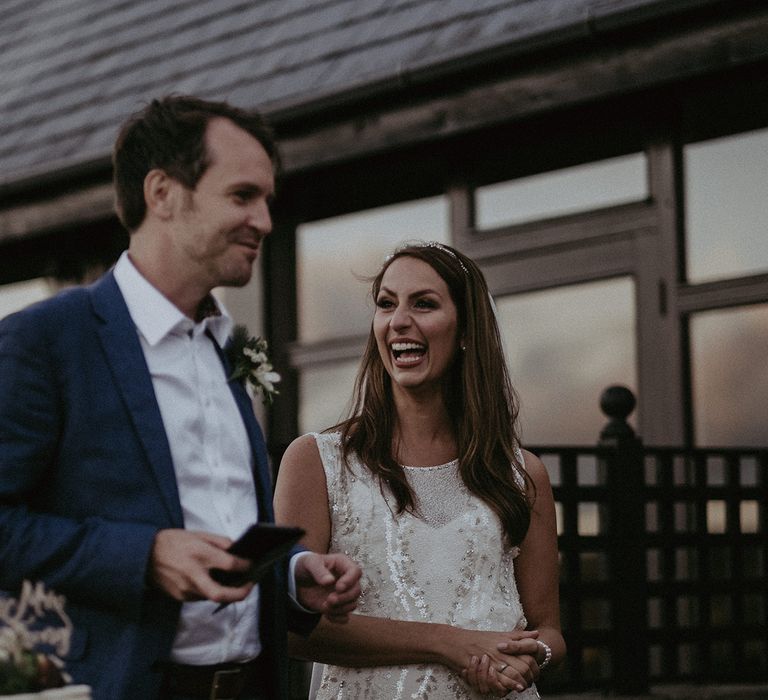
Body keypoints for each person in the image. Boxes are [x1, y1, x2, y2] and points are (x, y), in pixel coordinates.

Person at [0, 95, 362, 700]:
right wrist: (143, 555)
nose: (266, 221)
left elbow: (222, 525)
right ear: (163, 193)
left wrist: (297, 577)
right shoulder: (46, 342)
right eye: (243, 196)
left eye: (267, 200)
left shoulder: (227, 348)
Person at [274, 241, 565, 698]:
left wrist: (527, 660)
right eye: (386, 304)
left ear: (467, 329)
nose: (398, 322)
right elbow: (289, 627)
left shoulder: (521, 474)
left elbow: (549, 630)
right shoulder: (316, 461)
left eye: (423, 304)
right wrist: (448, 644)